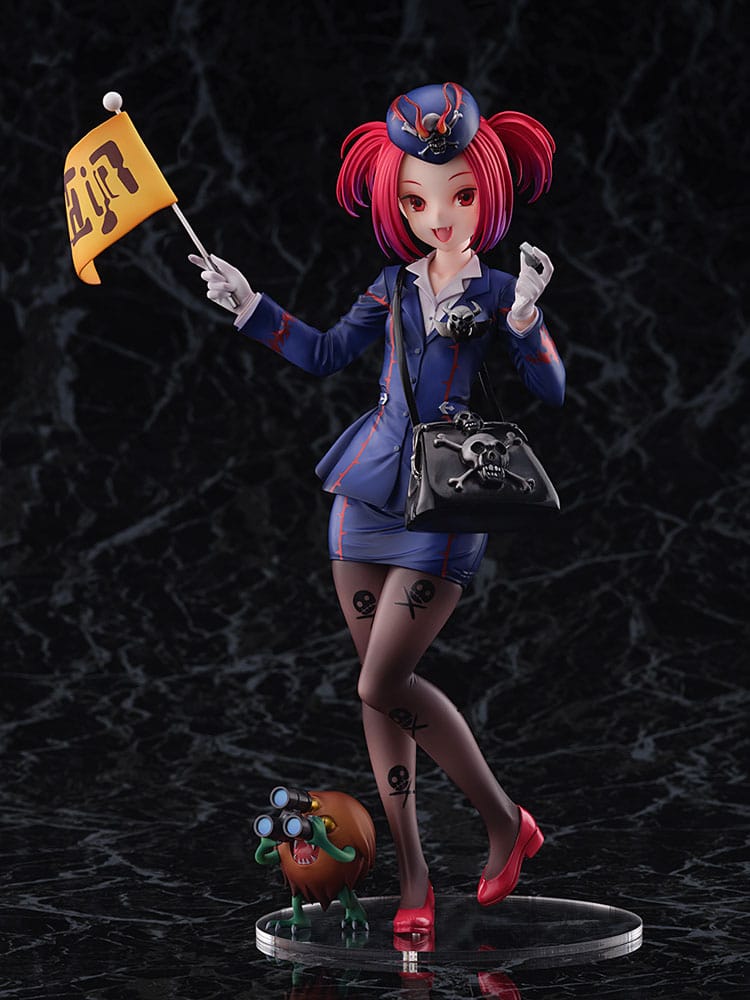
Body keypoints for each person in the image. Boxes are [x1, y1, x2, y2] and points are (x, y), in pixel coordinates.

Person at [190, 81, 565, 935]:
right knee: (377, 695)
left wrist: (525, 317)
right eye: (418, 199)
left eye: (460, 195)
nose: (441, 216)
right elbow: (326, 353)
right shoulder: (392, 285)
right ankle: (413, 877)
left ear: (489, 193)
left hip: (448, 499)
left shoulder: (498, 291)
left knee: (382, 679)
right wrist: (248, 305)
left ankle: (505, 820)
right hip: (365, 493)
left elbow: (551, 390)